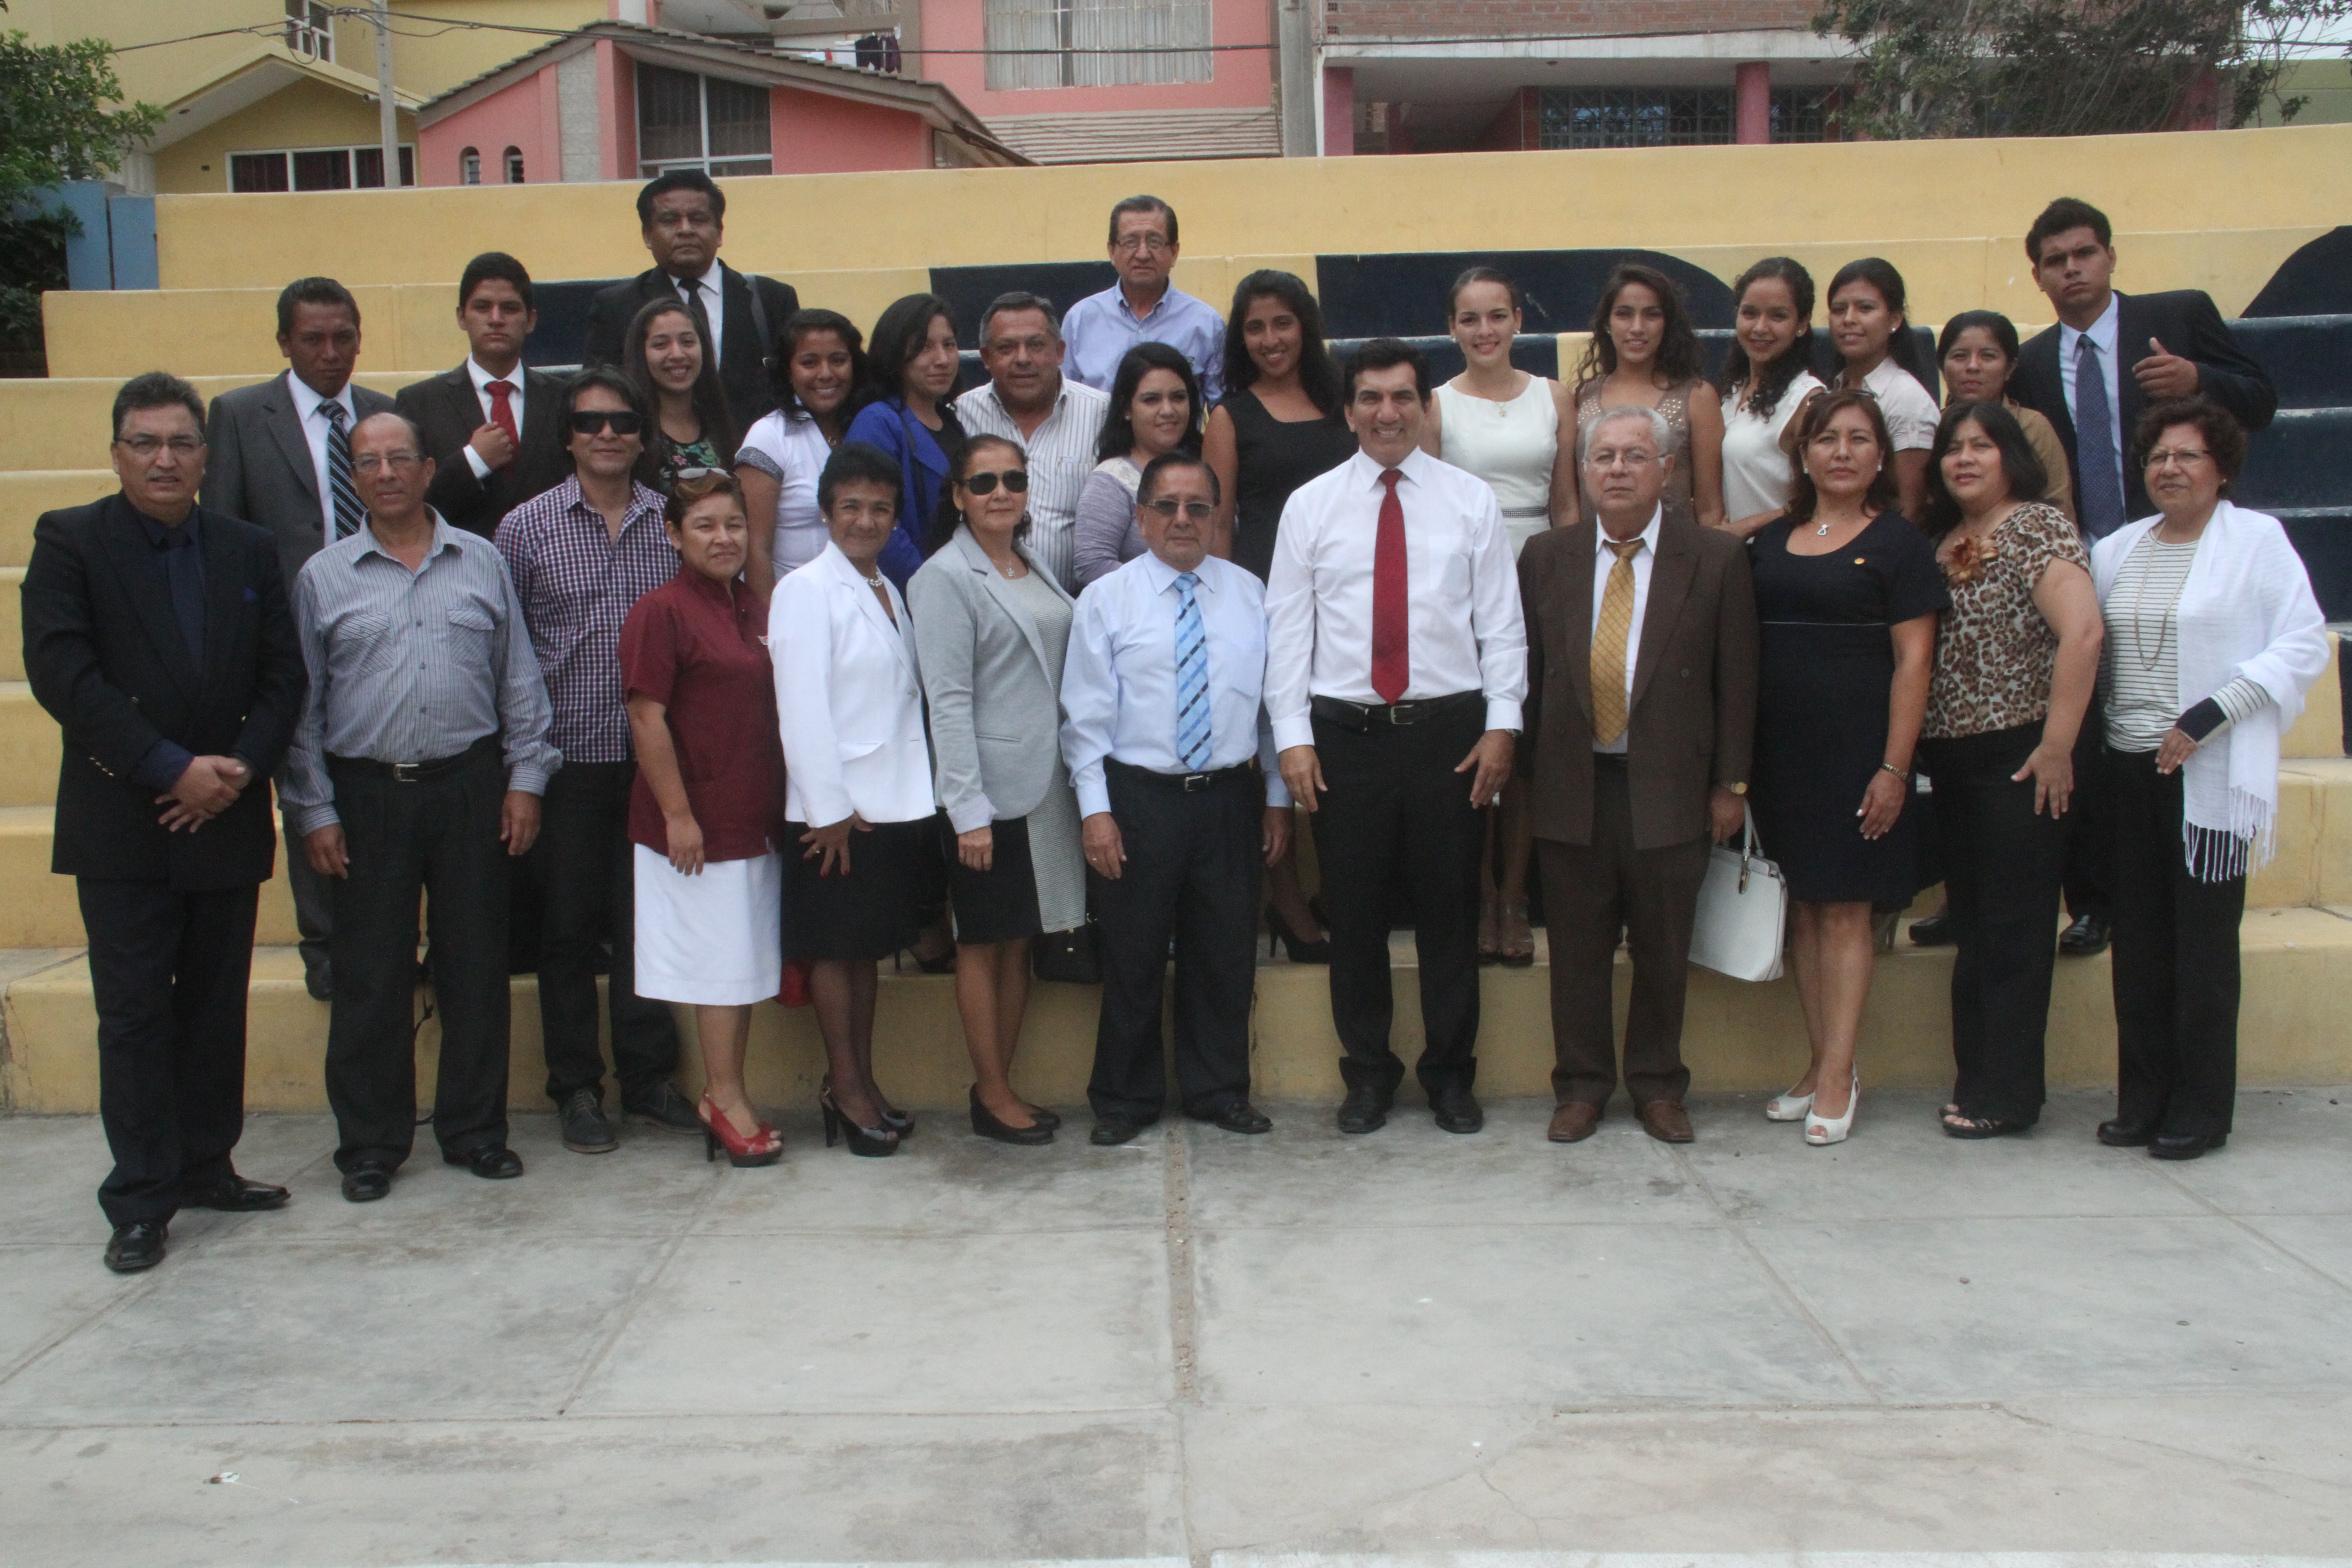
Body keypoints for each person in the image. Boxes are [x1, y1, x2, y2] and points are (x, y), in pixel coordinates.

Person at [22, 372, 307, 1273]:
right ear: (116, 453)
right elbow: (65, 676)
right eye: (145, 443)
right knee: (137, 1015)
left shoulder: (246, 546)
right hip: (127, 819)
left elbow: (283, 676)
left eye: (181, 443)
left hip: (224, 811)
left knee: (216, 1006)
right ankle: (141, 1198)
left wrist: (236, 772)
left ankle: (207, 1163)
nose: (164, 458)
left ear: (204, 455)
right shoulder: (70, 542)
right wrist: (168, 769)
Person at [285, 412, 559, 1203]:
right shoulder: (323, 578)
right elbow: (303, 706)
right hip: (367, 793)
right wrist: (315, 810)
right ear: (355, 477)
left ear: (428, 468)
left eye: (398, 457)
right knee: (371, 974)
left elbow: (518, 679)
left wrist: (524, 782)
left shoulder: (480, 561)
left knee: (475, 965)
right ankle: (372, 1143)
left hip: (471, 785)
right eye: (367, 462)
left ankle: (474, 1131)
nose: (385, 472)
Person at [1266, 339, 1525, 1137]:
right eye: (1370, 398)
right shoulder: (1308, 506)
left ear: (1423, 406)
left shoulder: (1468, 501)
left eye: (1402, 397)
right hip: (1344, 735)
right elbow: (1287, 633)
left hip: (1447, 732)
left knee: (1450, 912)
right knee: (1356, 914)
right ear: (1347, 411)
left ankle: (1449, 1075)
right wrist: (1292, 739)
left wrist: (1501, 725)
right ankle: (1368, 1075)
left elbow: (1501, 627)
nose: (1387, 413)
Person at [2010, 196, 2279, 961]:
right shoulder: (2031, 361)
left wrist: (2198, 376)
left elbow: (2259, 400)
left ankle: (2184, 877)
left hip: (2180, 555)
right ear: (2037, 275)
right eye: (2055, 260)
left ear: (2108, 257)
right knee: (2090, 733)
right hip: (2085, 564)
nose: (2072, 269)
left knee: (2167, 720)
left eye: (2083, 253)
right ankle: (2095, 902)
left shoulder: (2177, 316)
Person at [2090, 397, 2327, 1161]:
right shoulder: (2117, 549)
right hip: (2125, 768)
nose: (2169, 468)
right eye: (2158, 456)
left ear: (2220, 467)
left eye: (2187, 456)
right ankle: (2143, 1099)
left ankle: (2198, 1108)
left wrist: (2210, 712)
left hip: (2207, 777)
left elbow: (2299, 644)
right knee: (2138, 947)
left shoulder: (2255, 542)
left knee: (2200, 951)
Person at [1519, 407, 1757, 1147]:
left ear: (1666, 469)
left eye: (1633, 455)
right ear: (1583, 473)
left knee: (1661, 948)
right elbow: (1522, 673)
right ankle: (1582, 1086)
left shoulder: (1713, 559)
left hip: (1671, 789)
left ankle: (1656, 1085)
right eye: (1602, 457)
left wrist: (1731, 786)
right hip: (1571, 784)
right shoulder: (1544, 557)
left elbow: (1738, 681)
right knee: (1577, 951)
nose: (1616, 469)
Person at [492, 367, 692, 1155]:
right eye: (589, 422)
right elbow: (505, 657)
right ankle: (577, 1087)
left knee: (647, 925)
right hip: (566, 760)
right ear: (567, 436)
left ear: (643, 437)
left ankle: (648, 1079)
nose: (606, 434)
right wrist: (522, 771)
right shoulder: (524, 528)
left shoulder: (669, 523)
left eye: (621, 422)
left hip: (653, 761)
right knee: (567, 931)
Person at [1062, 452, 1287, 1145]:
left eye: (1197, 507)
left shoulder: (1251, 593)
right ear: (1141, 517)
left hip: (1228, 797)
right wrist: (1096, 812)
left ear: (1217, 517)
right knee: (1132, 955)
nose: (1182, 520)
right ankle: (1125, 1100)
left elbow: (1273, 710)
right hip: (1139, 800)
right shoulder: (1108, 599)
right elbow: (1084, 720)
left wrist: (1277, 798)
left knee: (1222, 953)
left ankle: (1218, 1091)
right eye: (1167, 506)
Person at [1745, 389, 1945, 1146]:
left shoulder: (1898, 545)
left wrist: (1893, 768)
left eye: (1857, 439)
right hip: (1779, 755)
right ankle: (1816, 1062)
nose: (1840, 451)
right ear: (1802, 453)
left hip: (1857, 754)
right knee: (1800, 907)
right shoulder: (1770, 539)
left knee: (1844, 910)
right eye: (1825, 438)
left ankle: (1838, 1074)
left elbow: (1914, 661)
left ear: (1879, 456)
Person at [201, 276, 394, 1000]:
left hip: (380, 628)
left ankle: (386, 935)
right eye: (312, 338)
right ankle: (326, 947)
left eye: (343, 336)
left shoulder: (384, 412)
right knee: (308, 789)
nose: (330, 352)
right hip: (288, 634)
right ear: (284, 341)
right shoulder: (242, 416)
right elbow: (220, 533)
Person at [1916, 401, 2103, 1139]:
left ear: (2009, 458)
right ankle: (1975, 1081)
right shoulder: (1941, 539)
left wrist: (2056, 745)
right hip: (1954, 763)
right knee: (1975, 927)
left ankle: (2010, 1096)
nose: (1963, 459)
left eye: (1980, 447)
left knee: (2014, 930)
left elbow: (2082, 632)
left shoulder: (2036, 526)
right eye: (1951, 448)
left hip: (2022, 755)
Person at [909, 435, 1087, 1146]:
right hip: (988, 793)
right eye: (983, 483)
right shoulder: (946, 577)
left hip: (1044, 788)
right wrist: (967, 813)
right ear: (957, 495)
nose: (1001, 493)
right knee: (983, 942)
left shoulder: (1028, 562)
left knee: (1019, 941)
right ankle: (991, 1092)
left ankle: (1002, 1083)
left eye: (1014, 479)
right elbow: (945, 702)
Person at [774, 444, 943, 1156]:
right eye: (851, 507)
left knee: (865, 954)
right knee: (836, 958)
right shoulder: (806, 589)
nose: (865, 520)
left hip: (890, 804)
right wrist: (828, 810)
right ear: (825, 513)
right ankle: (844, 1092)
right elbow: (800, 705)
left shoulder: (887, 588)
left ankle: (863, 1084)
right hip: (836, 815)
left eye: (880, 508)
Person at [621, 471, 789, 1167]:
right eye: (706, 526)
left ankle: (728, 1090)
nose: (724, 539)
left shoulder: (754, 605)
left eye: (734, 526)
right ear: (672, 535)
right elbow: (644, 715)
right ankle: (723, 1096)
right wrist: (678, 814)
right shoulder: (661, 611)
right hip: (696, 827)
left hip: (754, 817)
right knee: (721, 968)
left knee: (743, 965)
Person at [1201, 269, 1356, 963]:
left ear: (1306, 328)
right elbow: (1218, 522)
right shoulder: (1231, 415)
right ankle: (1288, 902)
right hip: (1268, 605)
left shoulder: (1342, 402)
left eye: (1282, 323)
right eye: (1256, 327)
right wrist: (1228, 616)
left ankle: (1342, 890)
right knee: (1276, 755)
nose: (1270, 339)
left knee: (1339, 751)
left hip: (1347, 603)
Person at [1425, 266, 1577, 968]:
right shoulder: (1435, 407)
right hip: (1463, 585)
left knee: (1525, 756)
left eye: (1496, 316)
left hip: (1541, 570)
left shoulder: (1555, 396)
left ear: (1518, 319)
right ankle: (1480, 892)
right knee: (1475, 744)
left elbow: (1567, 500)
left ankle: (1516, 895)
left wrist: (1570, 580)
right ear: (1452, 328)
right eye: (1468, 319)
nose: (1483, 331)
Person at [582, 170, 801, 431]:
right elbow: (600, 396)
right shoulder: (617, 307)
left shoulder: (771, 300)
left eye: (698, 219)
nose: (685, 230)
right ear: (647, 236)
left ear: (719, 233)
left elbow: (794, 389)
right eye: (670, 220)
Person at [394, 252, 568, 539]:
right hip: (458, 571)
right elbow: (410, 502)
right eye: (483, 307)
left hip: (553, 568)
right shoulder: (420, 403)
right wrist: (474, 461)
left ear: (531, 320)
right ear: (462, 317)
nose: (496, 319)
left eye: (510, 308)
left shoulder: (566, 399)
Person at [952, 292, 1110, 593]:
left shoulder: (1102, 414)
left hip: (1080, 607)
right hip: (988, 607)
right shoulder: (959, 416)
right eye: (1007, 348)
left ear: (1060, 351)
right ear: (986, 357)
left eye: (1036, 345)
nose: (1023, 358)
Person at [1572, 261, 1725, 532]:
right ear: (1607, 323)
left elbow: (1709, 506)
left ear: (1668, 324)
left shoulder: (1697, 397)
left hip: (1674, 560)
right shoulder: (1584, 397)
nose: (1637, 327)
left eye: (1652, 314)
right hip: (1596, 561)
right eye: (1624, 314)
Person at [736, 307, 867, 590]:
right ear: (788, 371)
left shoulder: (867, 427)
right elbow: (755, 550)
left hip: (860, 605)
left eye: (839, 360)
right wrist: (769, 629)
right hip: (793, 607)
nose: (826, 374)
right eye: (809, 363)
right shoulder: (769, 436)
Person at [844, 293, 965, 591]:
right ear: (896, 355)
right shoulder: (877, 423)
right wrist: (931, 589)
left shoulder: (952, 423)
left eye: (949, 345)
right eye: (924, 348)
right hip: (911, 596)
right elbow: (878, 528)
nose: (942, 359)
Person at [1062, 195, 1227, 403]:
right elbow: (1063, 402)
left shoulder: (1206, 324)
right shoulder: (1080, 320)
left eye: (1154, 242)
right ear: (1112, 251)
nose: (1142, 254)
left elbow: (1222, 410)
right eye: (1131, 242)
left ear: (1174, 252)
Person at [1072, 342, 1204, 588]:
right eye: (1151, 400)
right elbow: (1091, 564)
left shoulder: (1208, 468)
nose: (1168, 410)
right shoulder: (1112, 480)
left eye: (1178, 398)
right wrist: (1173, 589)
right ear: (1126, 409)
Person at [1824, 258, 1941, 522]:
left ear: (1895, 319)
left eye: (1865, 308)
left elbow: (1909, 509)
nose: (1849, 320)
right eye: (1839, 309)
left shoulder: (1905, 397)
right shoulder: (1833, 389)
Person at [1717, 257, 1827, 539]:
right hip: (1734, 560)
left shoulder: (1807, 399)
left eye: (1778, 316)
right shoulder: (1731, 391)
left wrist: (1745, 528)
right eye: (1750, 313)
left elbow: (1826, 497)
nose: (1760, 327)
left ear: (1802, 324)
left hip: (1781, 558)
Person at [1938, 310, 2075, 526]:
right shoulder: (1932, 427)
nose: (1973, 366)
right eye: (1960, 356)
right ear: (1942, 367)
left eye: (1988, 356)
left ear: (2010, 368)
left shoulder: (2032, 426)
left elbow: (2059, 506)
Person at [620, 298, 735, 496]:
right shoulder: (628, 429)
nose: (677, 354)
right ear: (641, 354)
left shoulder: (720, 422)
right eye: (661, 345)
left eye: (688, 342)